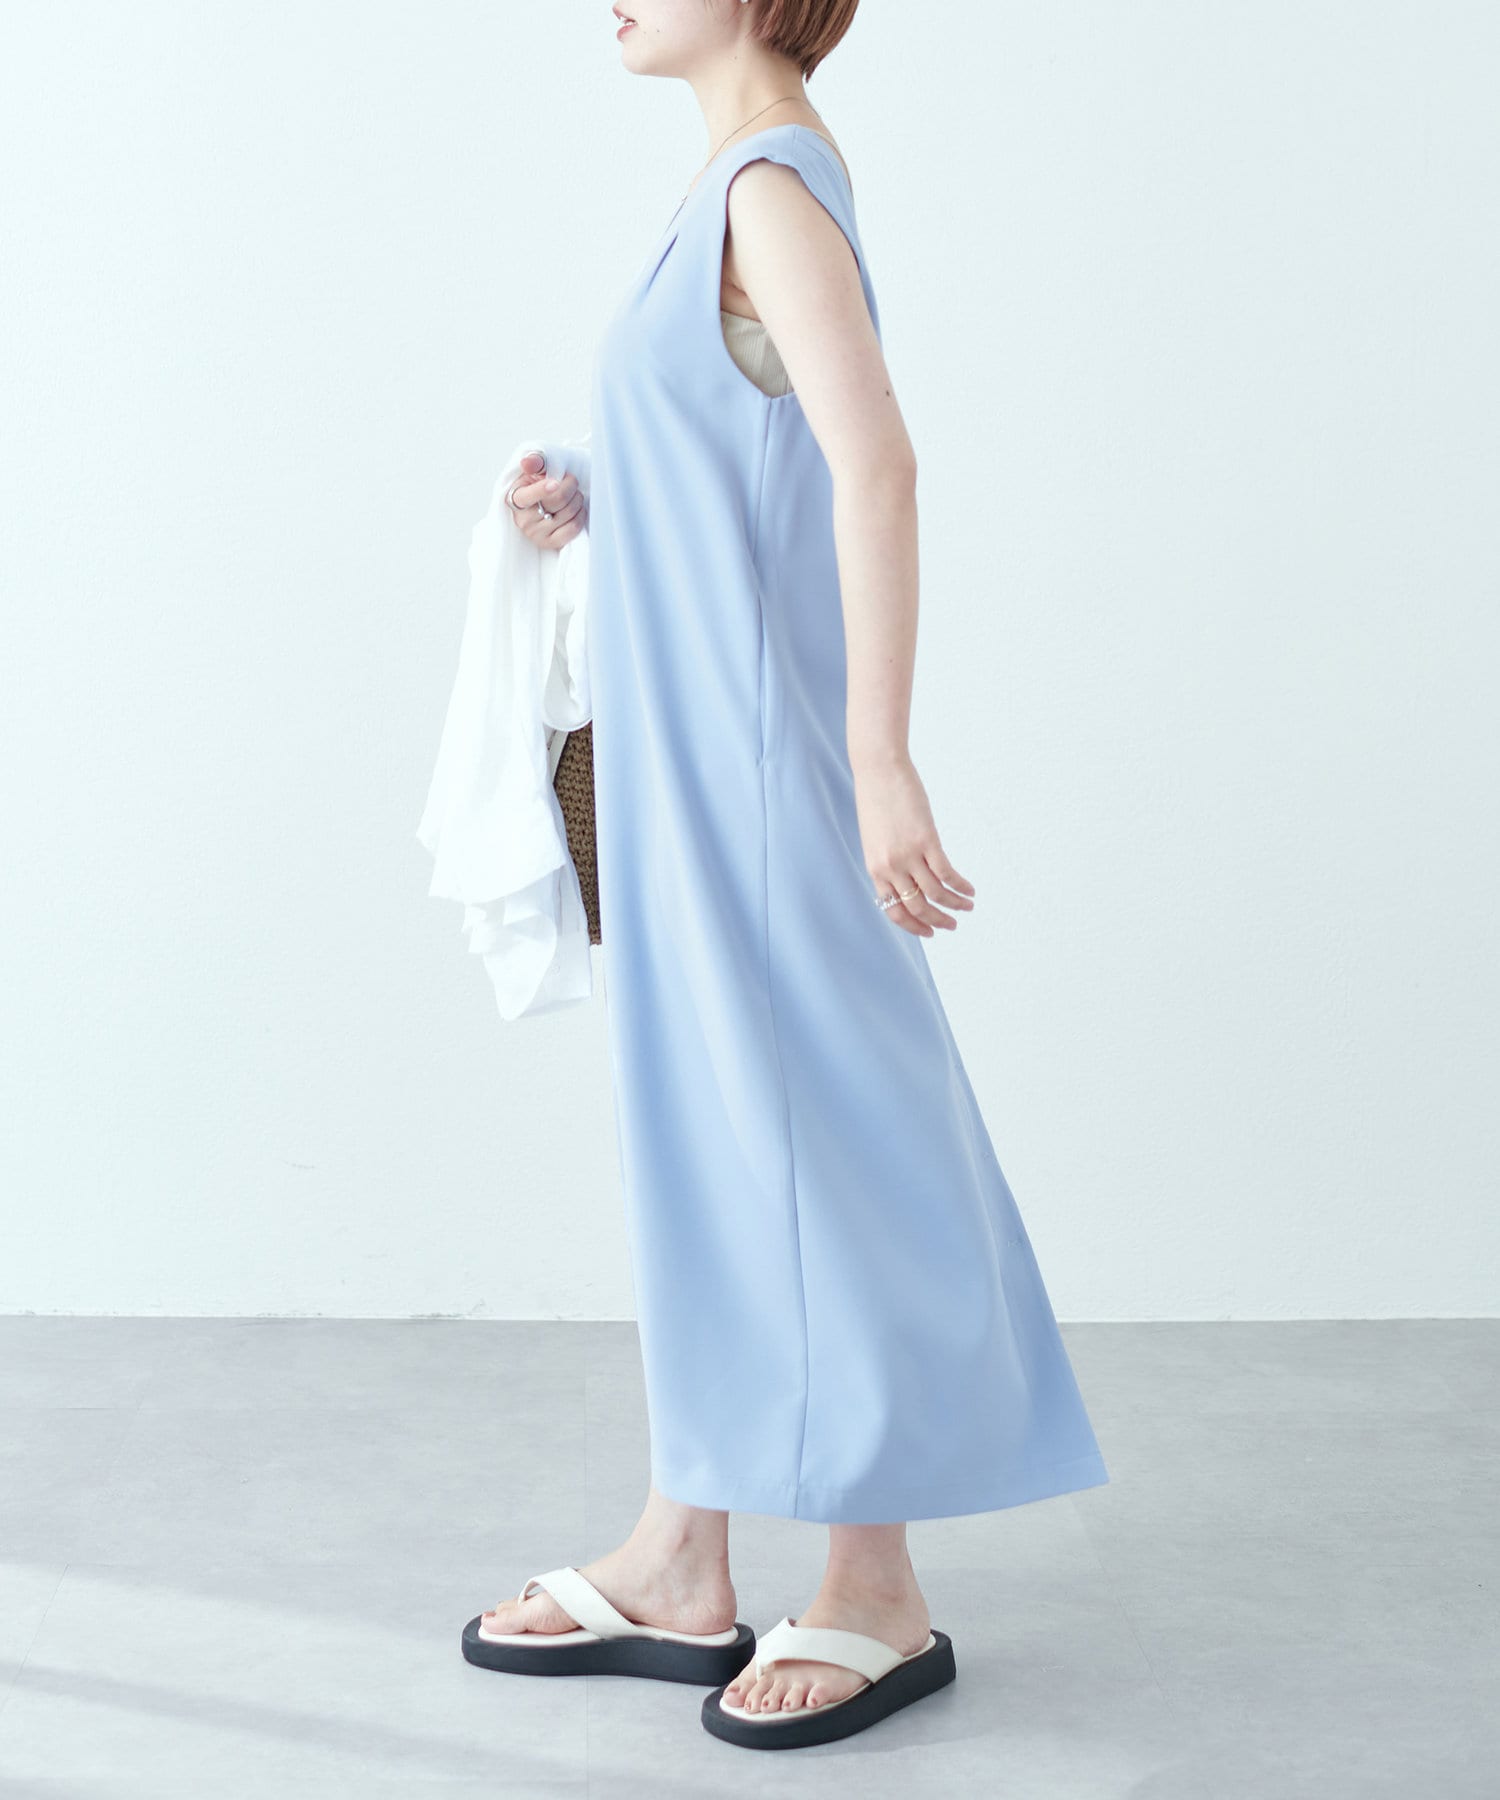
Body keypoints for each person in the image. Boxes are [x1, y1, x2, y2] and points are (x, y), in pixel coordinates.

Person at [461, 0, 1108, 1750]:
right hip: (685, 760)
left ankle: (874, 1582)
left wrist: (882, 759)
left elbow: (871, 458)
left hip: (753, 767)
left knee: (814, 1136)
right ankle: (686, 1547)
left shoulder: (767, 186)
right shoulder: (726, 187)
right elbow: (743, 455)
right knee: (715, 1139)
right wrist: (591, 496)